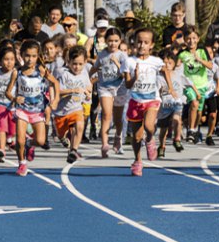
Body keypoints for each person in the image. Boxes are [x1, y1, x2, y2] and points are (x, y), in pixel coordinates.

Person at [123, 28, 172, 176]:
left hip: (152, 99)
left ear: (151, 45)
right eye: (139, 42)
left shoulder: (156, 61)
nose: (142, 45)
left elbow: (165, 71)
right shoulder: (129, 61)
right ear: (134, 43)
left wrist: (169, 87)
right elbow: (127, 85)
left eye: (146, 42)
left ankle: (150, 139)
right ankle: (138, 161)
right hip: (136, 101)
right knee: (137, 137)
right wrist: (135, 77)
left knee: (149, 126)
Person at [7, 39, 59, 177]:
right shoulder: (16, 72)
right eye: (27, 56)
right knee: (19, 140)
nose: (30, 59)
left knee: (41, 141)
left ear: (38, 56)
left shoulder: (41, 70)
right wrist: (14, 98)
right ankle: (22, 162)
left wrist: (55, 100)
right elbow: (7, 92)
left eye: (34, 56)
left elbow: (55, 83)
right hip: (22, 109)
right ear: (22, 55)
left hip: (38, 111)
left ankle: (29, 144)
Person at [91, 27, 128, 157]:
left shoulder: (122, 56)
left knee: (118, 119)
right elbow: (94, 68)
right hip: (105, 87)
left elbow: (125, 75)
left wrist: (117, 63)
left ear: (120, 41)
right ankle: (104, 144)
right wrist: (87, 80)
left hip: (119, 89)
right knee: (106, 115)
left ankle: (118, 136)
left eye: (116, 41)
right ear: (106, 41)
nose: (113, 43)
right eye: (110, 40)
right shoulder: (101, 55)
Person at [52, 45, 92, 164]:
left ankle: (74, 150)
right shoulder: (64, 74)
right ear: (68, 62)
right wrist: (72, 90)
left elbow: (87, 87)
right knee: (60, 134)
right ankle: (62, 138)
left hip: (76, 108)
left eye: (80, 64)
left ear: (85, 62)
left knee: (79, 126)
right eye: (74, 64)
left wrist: (88, 94)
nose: (77, 67)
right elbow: (58, 91)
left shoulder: (84, 73)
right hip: (61, 112)